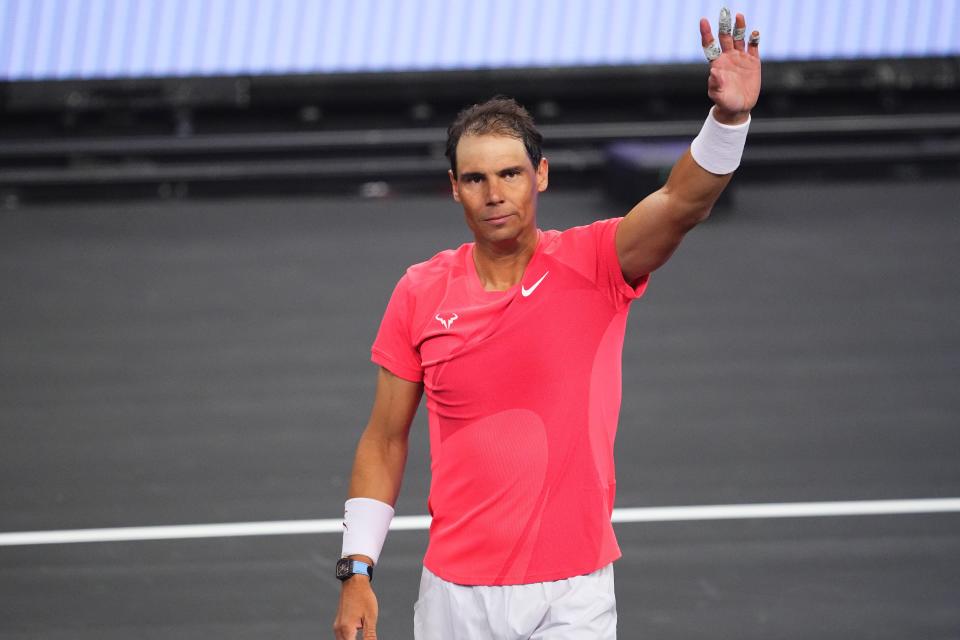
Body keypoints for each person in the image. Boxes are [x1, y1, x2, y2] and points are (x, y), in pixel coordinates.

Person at [333, 8, 761, 639]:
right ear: (455, 188)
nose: (495, 193)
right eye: (475, 179)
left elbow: (679, 205)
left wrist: (728, 120)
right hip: (453, 596)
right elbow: (385, 439)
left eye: (510, 173)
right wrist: (357, 570)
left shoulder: (597, 261)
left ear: (541, 175)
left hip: (573, 594)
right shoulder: (419, 291)